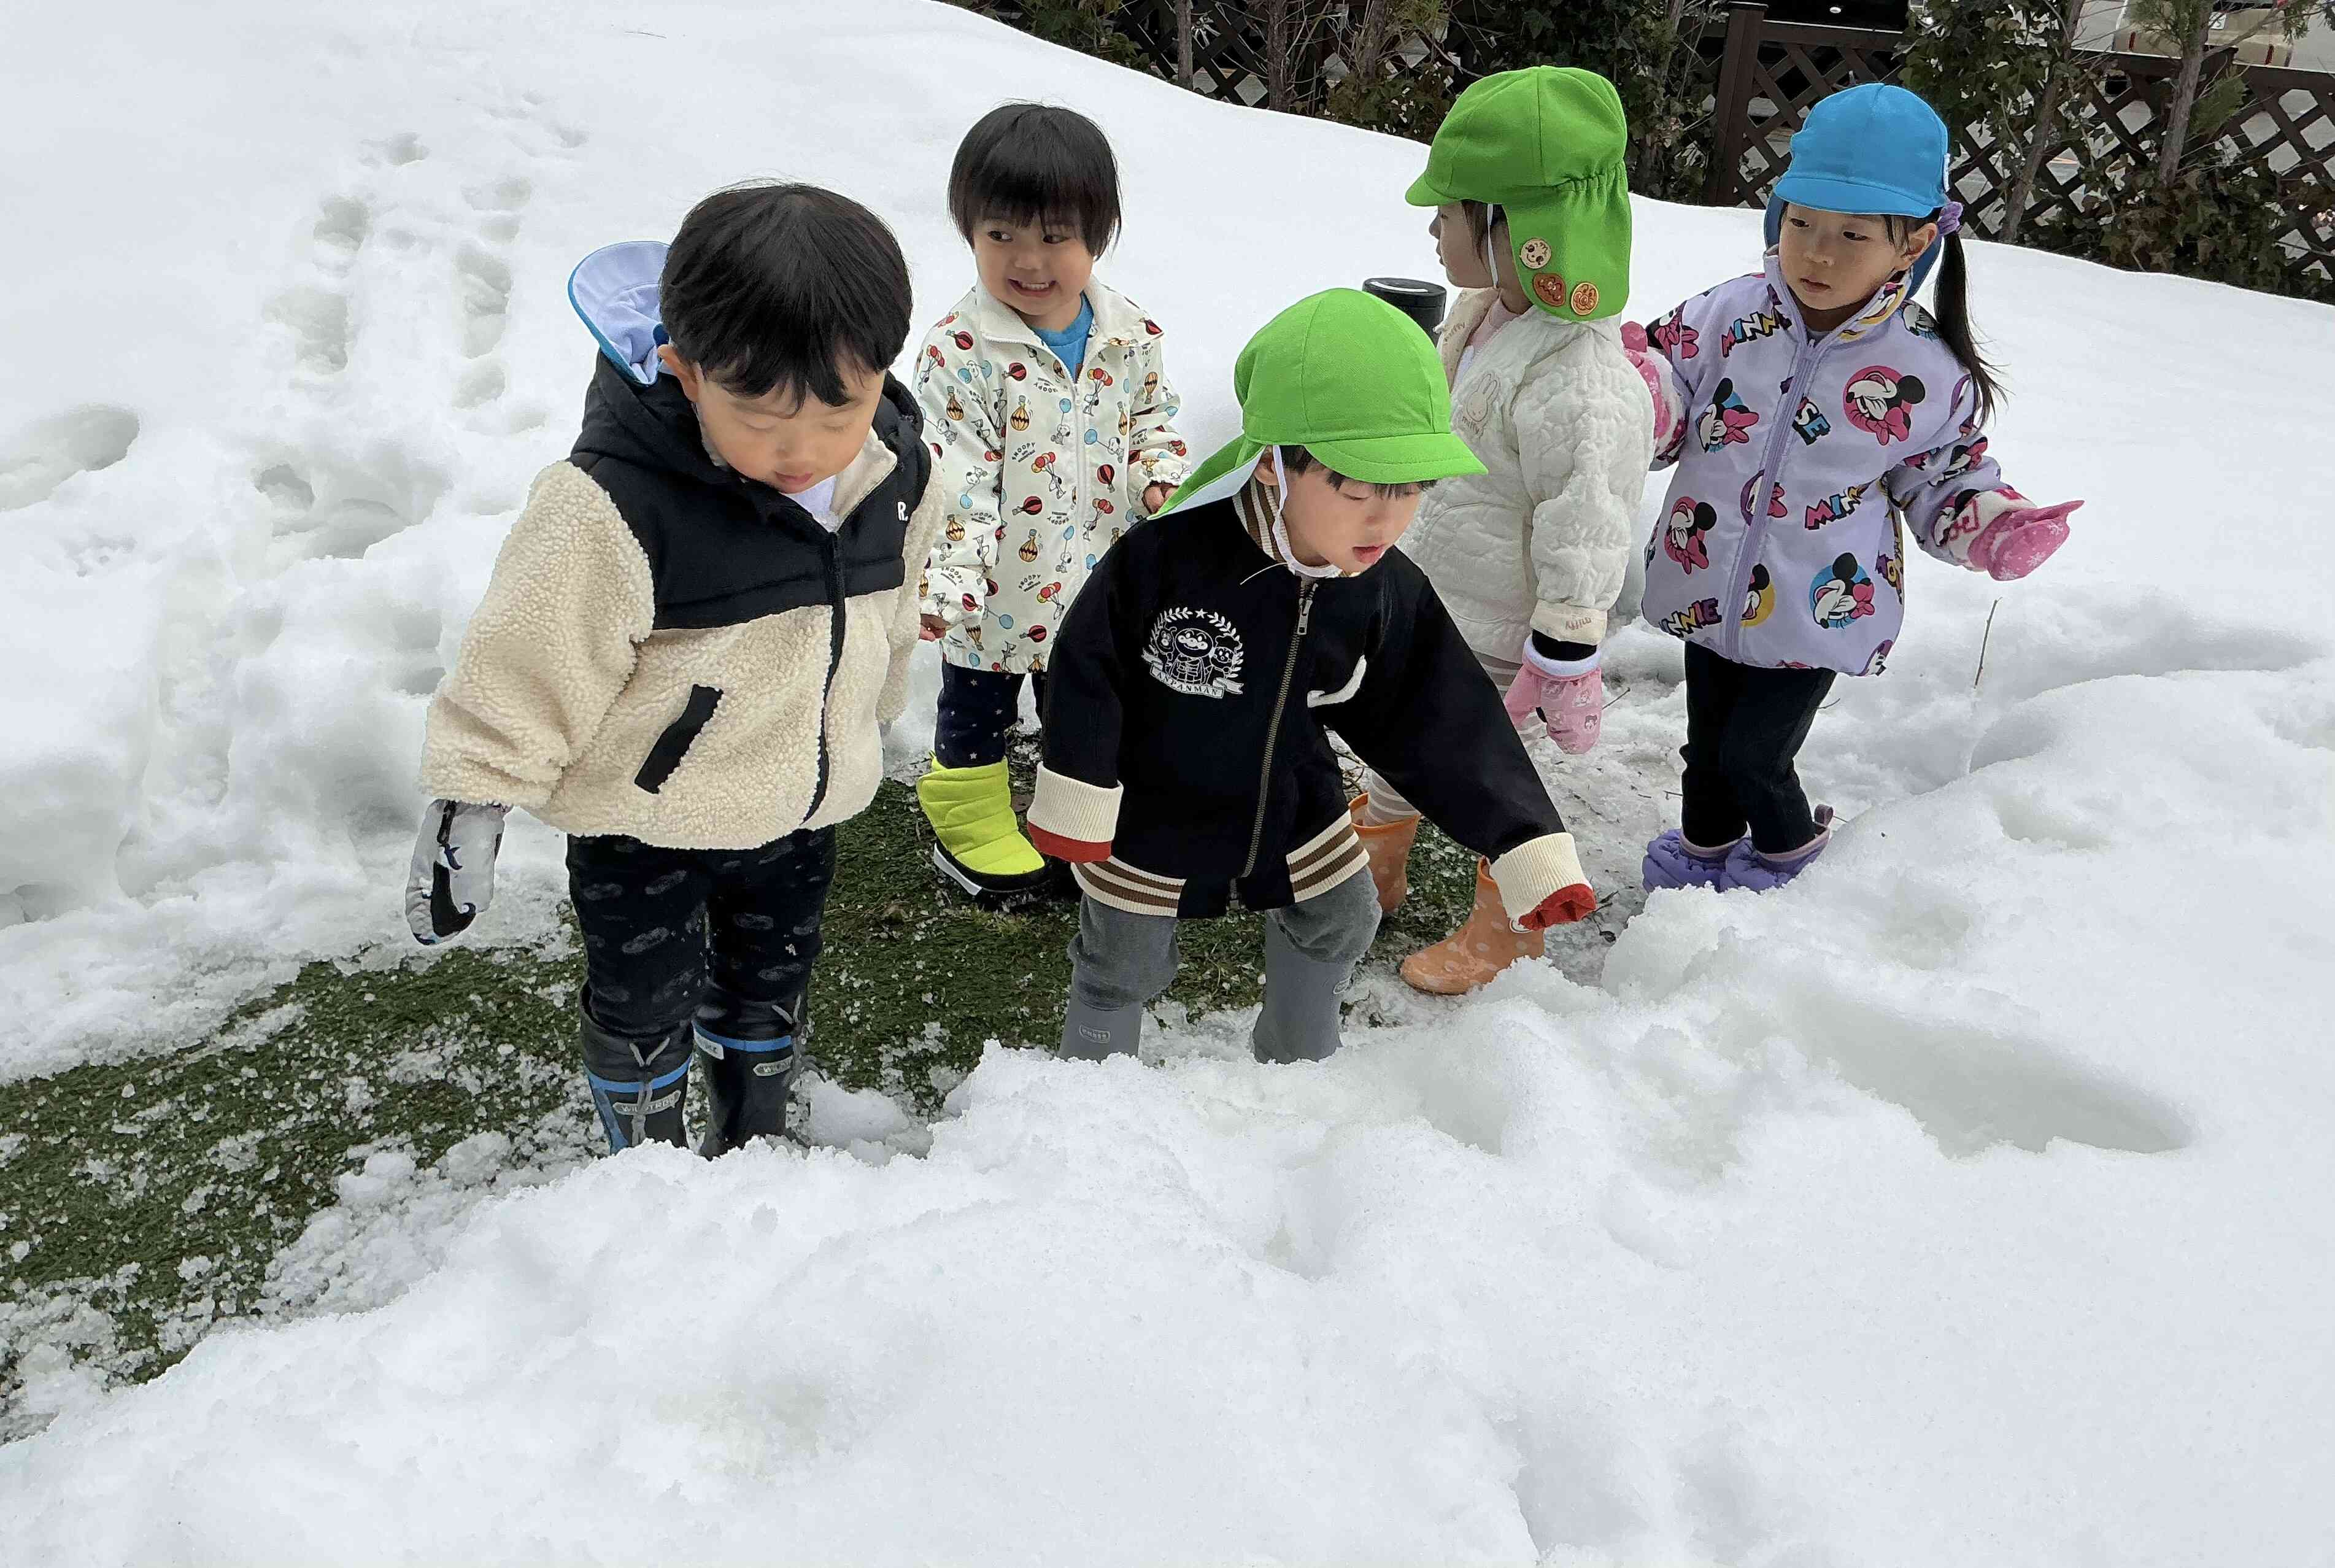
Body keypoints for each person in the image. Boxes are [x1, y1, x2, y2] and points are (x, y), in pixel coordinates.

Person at [403, 183, 943, 1154]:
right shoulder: (612, 504)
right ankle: (646, 1166)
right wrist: (472, 798)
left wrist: (874, 710)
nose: (802, 450)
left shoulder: (898, 474)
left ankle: (749, 1138)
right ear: (685, 371)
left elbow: (891, 610)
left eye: (838, 411)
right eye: (761, 414)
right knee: (642, 995)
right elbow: (527, 656)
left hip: (797, 811)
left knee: (769, 979)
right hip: (644, 823)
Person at [1026, 290, 1599, 1067]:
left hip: (1289, 796)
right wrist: (1079, 792)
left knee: (1340, 918)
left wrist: (1524, 840)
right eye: (1359, 489)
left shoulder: (1377, 585)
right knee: (1120, 958)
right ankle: (1088, 1081)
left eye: (1409, 489)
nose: (1385, 521)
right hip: (1155, 804)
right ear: (1272, 464)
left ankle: (1298, 1065)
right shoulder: (1166, 560)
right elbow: (1087, 666)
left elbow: (1440, 711)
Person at [1634, 84, 2081, 892]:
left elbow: (1943, 476)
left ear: (1910, 245)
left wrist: (1991, 526)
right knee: (1706, 748)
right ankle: (1701, 855)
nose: (1818, 253)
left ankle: (1786, 863)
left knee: (1754, 755)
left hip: (1817, 605)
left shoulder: (1921, 368)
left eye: (1851, 234)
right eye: (1800, 222)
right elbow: (1667, 390)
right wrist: (1636, 392)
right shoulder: (1728, 317)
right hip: (1707, 584)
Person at [1358, 66, 1659, 995]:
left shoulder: (1582, 378)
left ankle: (1509, 933)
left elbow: (1590, 523)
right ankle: (1375, 870)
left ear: (1517, 231)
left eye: (1450, 212)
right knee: (1396, 734)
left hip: (1507, 635)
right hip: (1434, 596)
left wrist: (1564, 648)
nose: (1434, 229)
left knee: (1501, 784)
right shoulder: (1481, 315)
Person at [913, 102, 1189, 898]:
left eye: (1054, 237)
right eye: (1001, 235)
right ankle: (961, 801)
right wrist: (952, 582)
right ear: (969, 231)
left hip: (1099, 577)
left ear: (1097, 235)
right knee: (979, 699)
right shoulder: (962, 349)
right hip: (999, 586)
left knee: (1086, 699)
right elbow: (954, 471)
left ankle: (1071, 814)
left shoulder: (1129, 332)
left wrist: (1158, 477)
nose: (1028, 260)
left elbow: (1153, 422)